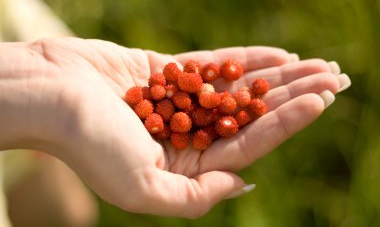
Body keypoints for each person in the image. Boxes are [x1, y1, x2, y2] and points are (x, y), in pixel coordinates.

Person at [0, 37, 351, 219]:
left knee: (65, 211)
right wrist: (44, 89)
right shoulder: (170, 104)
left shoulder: (194, 104)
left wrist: (38, 80)